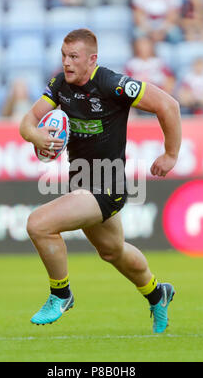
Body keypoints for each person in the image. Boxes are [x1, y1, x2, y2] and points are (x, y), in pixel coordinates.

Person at [20, 29, 181, 334]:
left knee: (38, 224)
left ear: (92, 59)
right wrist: (37, 136)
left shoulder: (111, 84)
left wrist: (170, 154)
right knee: (112, 251)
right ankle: (158, 293)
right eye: (64, 56)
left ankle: (61, 294)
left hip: (107, 185)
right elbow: (27, 122)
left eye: (74, 57)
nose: (66, 63)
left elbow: (168, 105)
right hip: (81, 183)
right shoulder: (59, 84)